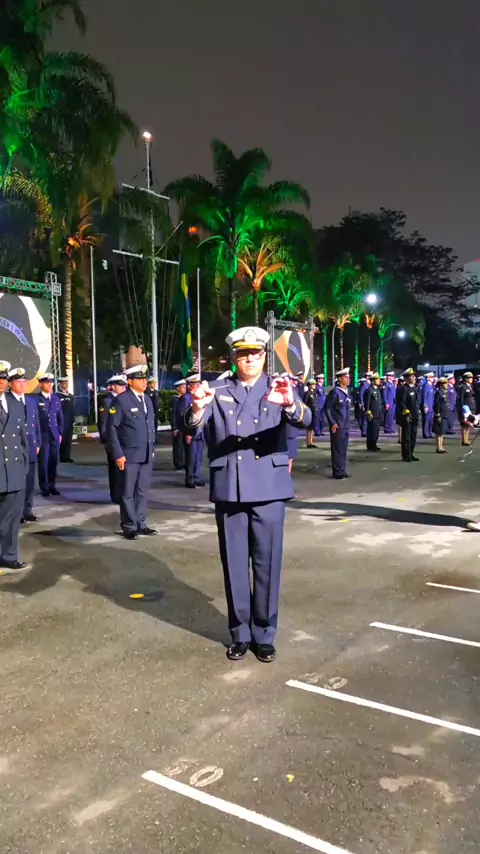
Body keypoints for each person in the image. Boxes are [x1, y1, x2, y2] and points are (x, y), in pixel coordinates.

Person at [185, 326, 311, 663]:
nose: (250, 359)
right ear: (234, 357)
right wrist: (195, 409)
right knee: (235, 566)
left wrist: (290, 404)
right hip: (231, 487)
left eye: (256, 353)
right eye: (244, 354)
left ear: (264, 356)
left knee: (268, 564)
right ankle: (240, 633)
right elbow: (192, 425)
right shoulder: (216, 390)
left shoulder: (278, 387)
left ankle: (264, 633)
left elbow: (305, 419)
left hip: (269, 488)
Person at [106, 364, 156, 540]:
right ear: (130, 381)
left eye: (145, 379)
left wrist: (152, 448)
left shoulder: (147, 399)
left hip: (145, 453)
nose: (144, 382)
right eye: (140, 379)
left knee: (142, 491)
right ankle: (129, 526)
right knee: (127, 492)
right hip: (129, 455)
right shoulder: (122, 400)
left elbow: (150, 426)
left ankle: (141, 523)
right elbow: (111, 429)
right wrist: (118, 454)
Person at [0, 360, 29, 570]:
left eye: (3, 378)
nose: (1, 382)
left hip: (14, 470)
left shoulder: (16, 404)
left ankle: (8, 555)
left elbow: (22, 437)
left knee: (11, 519)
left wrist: (24, 464)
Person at [7, 367, 41, 522]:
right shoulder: (7, 401)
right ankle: (18, 513)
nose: (22, 385)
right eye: (18, 382)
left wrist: (38, 442)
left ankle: (28, 510)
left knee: (30, 482)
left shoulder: (31, 401)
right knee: (17, 483)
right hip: (15, 448)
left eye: (23, 382)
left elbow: (36, 423)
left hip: (31, 447)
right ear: (10, 384)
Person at [98, 374, 127, 504]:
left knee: (123, 470)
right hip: (112, 442)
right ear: (113, 387)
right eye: (121, 385)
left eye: (124, 385)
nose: (123, 387)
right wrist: (107, 442)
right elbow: (103, 424)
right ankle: (116, 496)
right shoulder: (107, 401)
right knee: (115, 470)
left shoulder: (123, 400)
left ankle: (123, 494)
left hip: (123, 441)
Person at [36, 372, 63, 497]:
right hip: (43, 435)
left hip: (54, 435)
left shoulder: (55, 399)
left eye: (51, 383)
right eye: (47, 383)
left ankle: (52, 485)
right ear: (41, 384)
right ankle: (44, 486)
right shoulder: (36, 400)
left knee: (53, 461)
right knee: (43, 463)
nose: (50, 385)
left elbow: (60, 416)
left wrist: (60, 432)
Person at [177, 374, 206, 488]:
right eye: (195, 385)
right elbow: (182, 417)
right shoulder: (185, 398)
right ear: (189, 386)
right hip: (191, 433)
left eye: (198, 384)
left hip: (200, 432)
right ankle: (189, 478)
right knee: (191, 457)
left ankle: (196, 476)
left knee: (198, 456)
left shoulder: (200, 397)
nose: (198, 386)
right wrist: (187, 432)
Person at [325, 368, 351, 479]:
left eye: (348, 377)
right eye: (346, 377)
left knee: (343, 449)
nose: (348, 379)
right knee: (337, 449)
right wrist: (332, 422)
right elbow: (327, 408)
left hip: (345, 425)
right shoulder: (335, 392)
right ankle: (337, 472)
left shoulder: (346, 392)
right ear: (340, 379)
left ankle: (342, 470)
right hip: (338, 425)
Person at [396, 368, 419, 462]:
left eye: (414, 376)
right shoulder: (403, 389)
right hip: (407, 416)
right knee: (407, 436)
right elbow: (401, 402)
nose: (414, 378)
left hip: (414, 415)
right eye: (411, 376)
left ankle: (411, 453)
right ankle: (406, 455)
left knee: (413, 436)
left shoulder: (413, 388)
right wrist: (406, 411)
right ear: (406, 378)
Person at [56, 377, 76, 463]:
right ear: (60, 384)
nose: (66, 385)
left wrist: (73, 420)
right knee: (62, 440)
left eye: (67, 383)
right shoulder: (57, 396)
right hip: (61, 421)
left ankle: (67, 456)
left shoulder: (70, 396)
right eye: (64, 383)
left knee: (68, 439)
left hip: (69, 421)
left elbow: (73, 409)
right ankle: (61, 456)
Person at [364, 372, 384, 452]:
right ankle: (370, 445)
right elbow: (367, 402)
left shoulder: (377, 390)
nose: (379, 381)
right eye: (377, 379)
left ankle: (374, 444)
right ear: (372, 381)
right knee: (372, 431)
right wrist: (368, 411)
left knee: (376, 431)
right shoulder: (369, 390)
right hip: (372, 414)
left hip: (378, 413)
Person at [170, 379, 186, 470]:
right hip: (178, 426)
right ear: (178, 388)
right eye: (183, 387)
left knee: (183, 445)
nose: (185, 388)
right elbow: (173, 413)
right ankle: (178, 463)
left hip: (184, 425)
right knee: (178, 445)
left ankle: (183, 462)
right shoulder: (175, 399)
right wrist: (174, 427)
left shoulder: (184, 398)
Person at [457, 371, 475, 446]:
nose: (471, 379)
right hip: (465, 408)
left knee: (468, 424)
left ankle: (467, 439)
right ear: (466, 379)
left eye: (472, 378)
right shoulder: (463, 387)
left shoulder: (471, 386)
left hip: (471, 408)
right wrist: (462, 409)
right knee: (464, 425)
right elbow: (461, 399)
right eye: (470, 378)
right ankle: (464, 440)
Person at [433, 377, 449, 454]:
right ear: (440, 385)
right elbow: (436, 405)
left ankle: (441, 447)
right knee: (439, 432)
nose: (447, 384)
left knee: (442, 432)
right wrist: (437, 415)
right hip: (440, 414)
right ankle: (438, 447)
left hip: (444, 414)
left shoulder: (444, 392)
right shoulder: (438, 393)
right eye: (445, 383)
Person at [303, 378, 319, 448]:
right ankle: (308, 442)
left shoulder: (314, 393)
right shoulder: (307, 393)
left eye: (315, 384)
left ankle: (311, 442)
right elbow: (305, 403)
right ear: (309, 385)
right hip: (310, 412)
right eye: (313, 384)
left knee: (312, 428)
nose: (314, 385)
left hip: (314, 412)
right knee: (309, 428)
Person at [420, 372, 435, 438]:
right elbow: (424, 397)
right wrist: (425, 406)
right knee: (426, 420)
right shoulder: (425, 386)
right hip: (427, 406)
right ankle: (425, 434)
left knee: (430, 421)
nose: (433, 378)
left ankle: (429, 432)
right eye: (431, 377)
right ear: (428, 378)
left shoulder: (431, 386)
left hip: (431, 406)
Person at [146, 377, 160, 444]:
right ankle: (150, 439)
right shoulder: (147, 392)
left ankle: (155, 438)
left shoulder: (156, 392)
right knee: (150, 426)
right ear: (149, 384)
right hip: (150, 412)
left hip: (156, 412)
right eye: (153, 383)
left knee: (155, 425)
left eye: (155, 383)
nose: (154, 384)